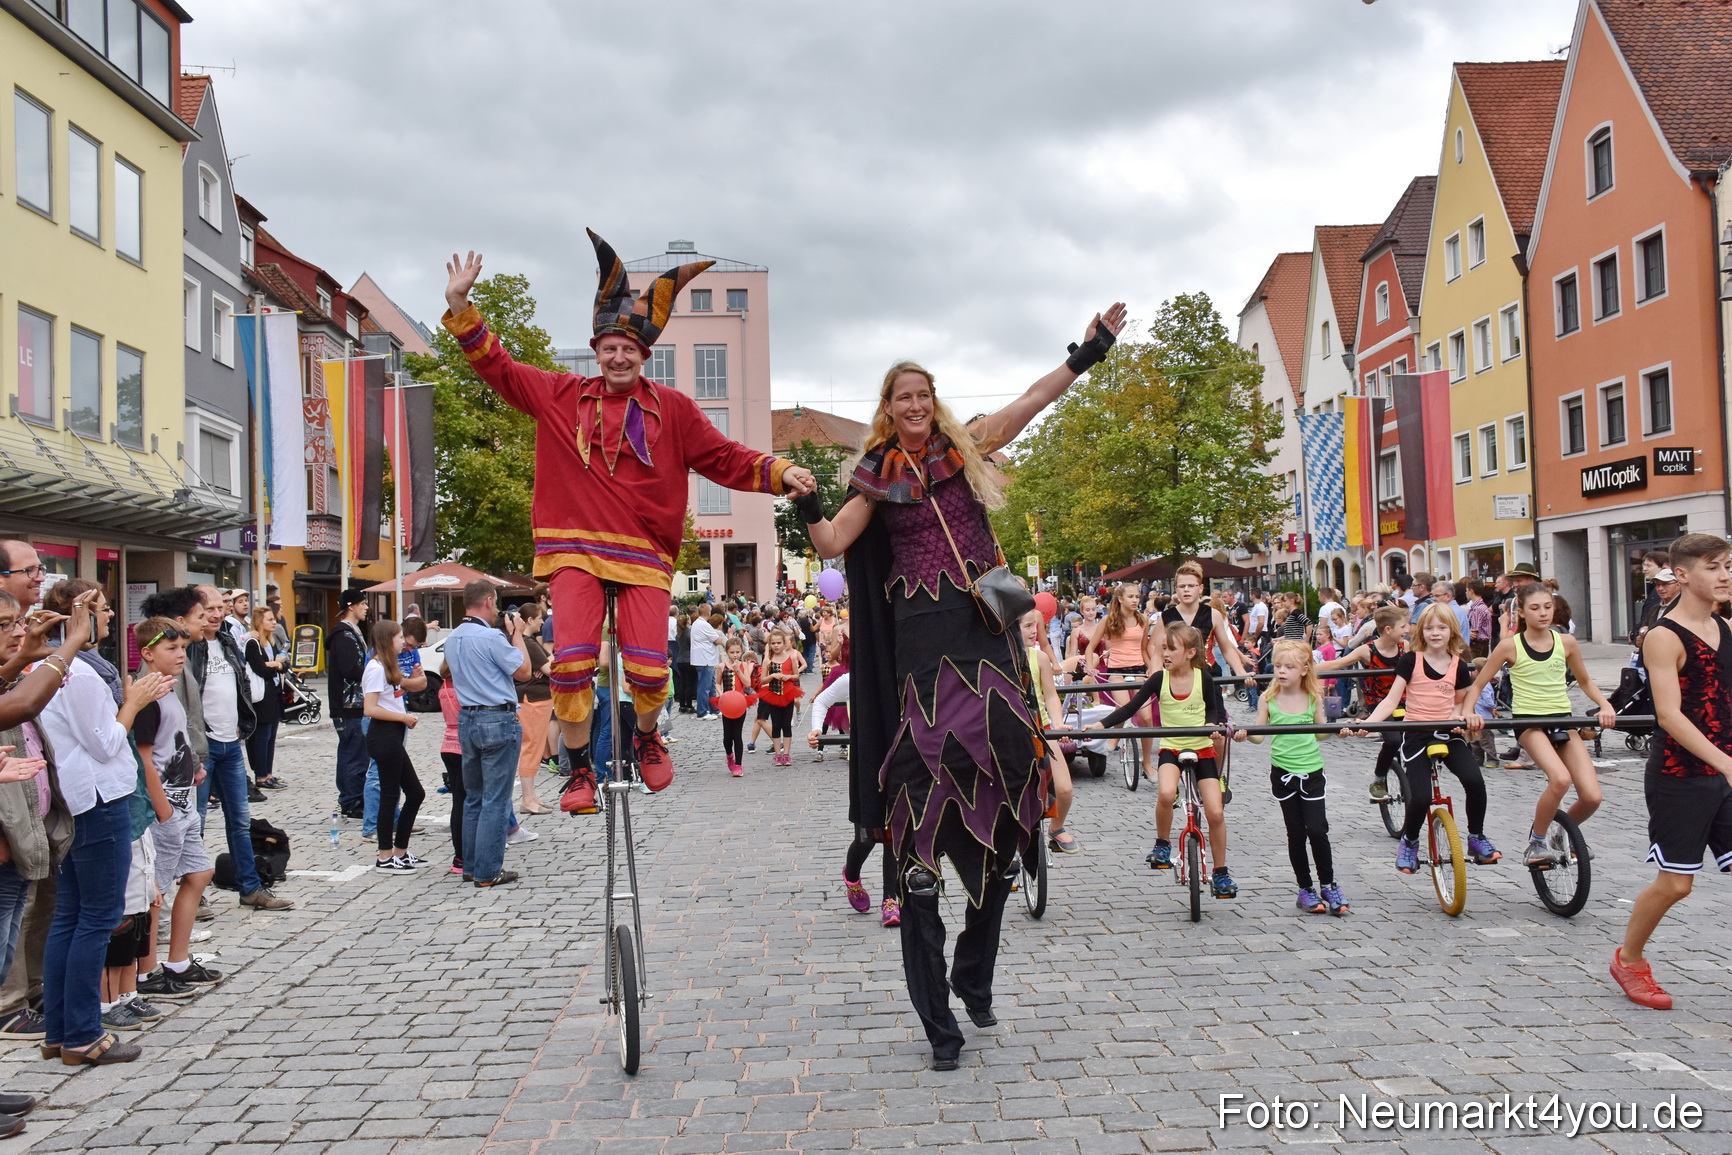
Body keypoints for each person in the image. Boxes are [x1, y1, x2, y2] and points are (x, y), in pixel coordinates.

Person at [801, 298, 1124, 1070]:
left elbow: (1034, 400)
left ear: (932, 401)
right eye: (902, 397)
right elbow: (832, 539)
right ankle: (937, 1013)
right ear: (886, 409)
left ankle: (976, 971)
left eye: (924, 394)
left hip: (986, 640)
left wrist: (1089, 353)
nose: (915, 406)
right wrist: (803, 494)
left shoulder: (967, 447)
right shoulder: (876, 478)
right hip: (918, 655)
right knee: (916, 834)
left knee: (1011, 824)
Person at [440, 243, 816, 809]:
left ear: (644, 355)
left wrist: (780, 470)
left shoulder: (676, 409)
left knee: (649, 668)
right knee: (569, 664)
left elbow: (727, 457)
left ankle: (644, 738)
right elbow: (501, 368)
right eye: (610, 348)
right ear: (598, 351)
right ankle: (579, 770)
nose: (619, 357)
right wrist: (462, 307)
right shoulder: (561, 394)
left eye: (629, 349)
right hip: (573, 547)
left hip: (643, 551)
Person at [38, 608, 171, 1066]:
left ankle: (61, 1030)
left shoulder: (52, 667)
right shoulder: (79, 672)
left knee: (72, 916)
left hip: (78, 797)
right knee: (96, 917)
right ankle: (81, 1033)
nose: (110, 614)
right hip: (97, 798)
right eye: (98, 608)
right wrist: (132, 704)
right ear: (78, 617)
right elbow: (105, 743)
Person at [1610, 533, 1732, 1009]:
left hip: (1723, 768)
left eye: (1726, 565)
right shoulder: (1664, 636)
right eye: (1712, 566)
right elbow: (1669, 715)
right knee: (1677, 882)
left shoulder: (1724, 626)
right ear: (1681, 575)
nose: (1724, 574)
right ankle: (1630, 959)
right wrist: (1723, 762)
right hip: (1681, 775)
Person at [1465, 582, 1615, 868]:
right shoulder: (1510, 646)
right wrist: (1469, 712)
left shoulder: (1566, 642)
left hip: (1562, 719)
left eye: (1548, 607)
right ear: (1521, 612)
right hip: (1529, 722)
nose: (1543, 613)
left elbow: (1585, 681)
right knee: (1559, 779)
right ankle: (1536, 841)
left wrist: (1606, 705)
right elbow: (1478, 684)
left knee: (1593, 796)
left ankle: (1562, 833)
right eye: (1535, 608)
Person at [1354, 603, 1500, 873]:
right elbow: (1391, 700)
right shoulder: (1411, 660)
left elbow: (1461, 701)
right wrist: (1369, 722)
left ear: (1451, 632)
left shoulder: (1458, 664)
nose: (1436, 633)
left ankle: (1476, 837)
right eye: (1430, 627)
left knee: (1474, 781)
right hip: (1417, 734)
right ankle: (1410, 842)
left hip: (1448, 733)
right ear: (1421, 631)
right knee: (1420, 797)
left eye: (1441, 627)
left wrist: (1459, 719)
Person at [1096, 625, 1236, 896]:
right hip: (1171, 749)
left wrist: (1212, 725)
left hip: (1202, 749)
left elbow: (1213, 710)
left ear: (1190, 653)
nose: (1165, 654)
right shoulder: (1159, 679)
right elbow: (1131, 706)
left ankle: (1220, 872)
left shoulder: (1203, 678)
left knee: (1215, 812)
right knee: (1165, 793)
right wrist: (1100, 724)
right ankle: (1162, 844)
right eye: (1163, 649)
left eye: (1172, 649)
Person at [130, 616, 226, 1004]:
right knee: (157, 892)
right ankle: (148, 970)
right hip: (166, 809)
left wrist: (195, 767)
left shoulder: (168, 690)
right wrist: (162, 810)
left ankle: (179, 961)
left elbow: (177, 738)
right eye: (171, 649)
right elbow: (144, 757)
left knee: (200, 872)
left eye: (183, 648)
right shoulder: (147, 696)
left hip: (185, 801)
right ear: (148, 653)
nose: (180, 655)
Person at [1237, 639, 1346, 915]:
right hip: (1283, 773)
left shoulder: (1313, 698)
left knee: (1318, 830)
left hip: (1312, 771)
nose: (1281, 671)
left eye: (1289, 667)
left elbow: (1320, 733)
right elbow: (1260, 736)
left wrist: (1336, 728)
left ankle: (1329, 884)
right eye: (1278, 666)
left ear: (1304, 670)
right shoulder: (1268, 699)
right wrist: (1244, 733)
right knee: (1296, 832)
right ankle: (1305, 888)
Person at [443, 580, 532, 887]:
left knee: (473, 797)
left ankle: (470, 865)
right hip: (496, 716)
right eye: (495, 604)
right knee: (496, 798)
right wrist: (517, 634)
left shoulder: (453, 638)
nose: (496, 610)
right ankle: (487, 870)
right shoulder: (492, 636)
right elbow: (523, 672)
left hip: (467, 717)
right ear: (488, 601)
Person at [1318, 606, 1407, 801]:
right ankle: (1378, 779)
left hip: (1406, 700)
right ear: (1388, 630)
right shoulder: (1368, 650)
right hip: (1378, 702)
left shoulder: (1405, 647)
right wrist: (1307, 669)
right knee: (1393, 740)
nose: (1407, 630)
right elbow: (1337, 664)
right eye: (1403, 626)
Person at [363, 621, 424, 872]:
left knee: (415, 793)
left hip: (393, 734)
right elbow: (370, 708)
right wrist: (403, 717)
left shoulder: (390, 667)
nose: (403, 642)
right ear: (388, 640)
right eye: (400, 637)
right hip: (383, 735)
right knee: (391, 794)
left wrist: (411, 680)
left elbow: (397, 694)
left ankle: (400, 851)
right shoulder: (375, 668)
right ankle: (385, 856)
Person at [1019, 610, 1077, 853]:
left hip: (1042, 727)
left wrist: (1057, 722)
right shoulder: (999, 657)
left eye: (1037, 626)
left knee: (1064, 789)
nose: (1035, 632)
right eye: (1028, 626)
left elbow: (1050, 695)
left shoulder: (1040, 657)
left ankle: (1056, 827)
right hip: (1014, 730)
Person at [328, 590, 370, 819]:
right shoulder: (344, 636)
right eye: (363, 604)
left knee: (352, 752)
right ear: (351, 606)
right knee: (353, 754)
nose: (366, 608)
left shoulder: (353, 633)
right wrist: (374, 672)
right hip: (348, 705)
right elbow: (351, 670)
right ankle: (352, 800)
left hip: (353, 704)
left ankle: (351, 797)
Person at [513, 602, 554, 816]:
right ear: (529, 620)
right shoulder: (528, 643)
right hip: (533, 699)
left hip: (535, 698)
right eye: (539, 618)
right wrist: (549, 663)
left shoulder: (528, 642)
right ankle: (528, 799)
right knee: (531, 747)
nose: (542, 621)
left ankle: (531, 797)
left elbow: (546, 665)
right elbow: (550, 669)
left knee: (534, 748)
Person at [244, 608, 288, 791]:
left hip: (274, 693)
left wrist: (276, 664)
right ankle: (261, 776)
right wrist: (275, 665)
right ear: (259, 622)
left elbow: (285, 665)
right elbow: (260, 669)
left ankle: (268, 773)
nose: (274, 623)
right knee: (262, 737)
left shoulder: (271, 642)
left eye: (273, 619)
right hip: (261, 696)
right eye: (269, 619)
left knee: (270, 737)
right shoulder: (252, 643)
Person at [756, 628, 806, 767]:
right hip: (774, 695)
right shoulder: (768, 661)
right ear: (770, 645)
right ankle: (778, 754)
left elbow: (796, 675)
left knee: (786, 725)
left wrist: (788, 677)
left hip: (788, 694)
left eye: (779, 643)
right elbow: (762, 680)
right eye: (773, 643)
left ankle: (787, 754)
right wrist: (773, 676)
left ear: (785, 644)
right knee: (776, 724)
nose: (776, 646)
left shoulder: (791, 658)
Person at [436, 661, 467, 875]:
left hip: (447, 744)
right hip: (464, 745)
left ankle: (458, 855)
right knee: (469, 801)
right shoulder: (463, 688)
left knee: (458, 802)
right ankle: (464, 854)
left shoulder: (443, 687)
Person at [715, 638, 757, 777]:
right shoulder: (722, 666)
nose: (735, 655)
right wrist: (720, 694)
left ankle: (738, 765)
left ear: (741, 651)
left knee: (737, 735)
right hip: (726, 704)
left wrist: (738, 670)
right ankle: (729, 757)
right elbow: (717, 683)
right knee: (727, 736)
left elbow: (747, 683)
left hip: (740, 704)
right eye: (732, 652)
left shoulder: (744, 666)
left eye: (737, 652)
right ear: (727, 652)